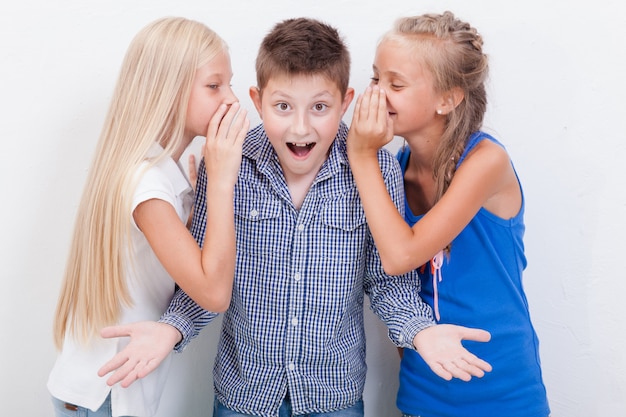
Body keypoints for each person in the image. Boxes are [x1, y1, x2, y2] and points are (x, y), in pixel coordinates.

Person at [97, 17, 491, 417]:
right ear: (257, 100)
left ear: (346, 101)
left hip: (332, 396)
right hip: (244, 395)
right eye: (283, 106)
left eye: (320, 107)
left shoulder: (378, 171)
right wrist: (172, 328)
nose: (301, 127)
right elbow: (208, 275)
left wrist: (420, 332)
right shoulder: (229, 164)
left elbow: (389, 285)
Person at [346, 11, 550, 417]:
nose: (377, 94)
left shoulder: (486, 161)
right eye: (375, 78)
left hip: (501, 388)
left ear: (448, 99)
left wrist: (362, 153)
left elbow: (401, 255)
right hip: (424, 387)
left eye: (396, 84)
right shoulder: (395, 170)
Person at [47, 17, 249, 417]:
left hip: (98, 387)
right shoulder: (147, 182)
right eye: (214, 85)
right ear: (168, 90)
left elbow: (165, 269)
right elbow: (214, 293)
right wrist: (222, 183)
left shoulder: (152, 171)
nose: (231, 100)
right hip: (105, 394)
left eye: (229, 83)